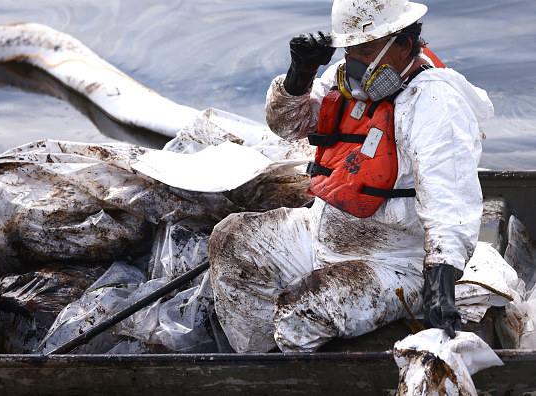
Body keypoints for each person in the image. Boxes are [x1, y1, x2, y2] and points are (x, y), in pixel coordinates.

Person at [207, 0, 494, 353]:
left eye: (367, 48)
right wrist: (299, 76)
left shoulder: (435, 100)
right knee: (231, 238)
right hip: (322, 237)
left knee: (302, 308)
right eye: (350, 48)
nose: (355, 59)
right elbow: (286, 125)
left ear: (404, 44)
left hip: (395, 263)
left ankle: (308, 379)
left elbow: (450, 200)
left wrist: (440, 278)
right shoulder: (343, 82)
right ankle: (256, 367)